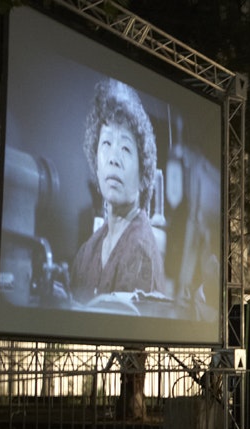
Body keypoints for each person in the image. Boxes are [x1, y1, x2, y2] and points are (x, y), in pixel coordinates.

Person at [71, 78, 166, 304]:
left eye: (125, 148)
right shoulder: (88, 250)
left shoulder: (140, 249)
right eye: (106, 144)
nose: (114, 158)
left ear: (143, 172)